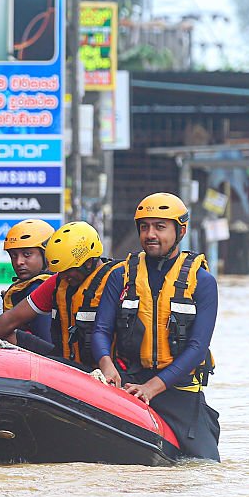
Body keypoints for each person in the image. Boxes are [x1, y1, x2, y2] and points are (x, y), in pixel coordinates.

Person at [92, 193, 220, 461]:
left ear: (180, 230)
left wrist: (152, 388)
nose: (150, 234)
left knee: (206, 464)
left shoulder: (202, 282)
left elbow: (197, 348)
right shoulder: (121, 276)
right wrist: (106, 365)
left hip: (179, 391)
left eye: (160, 227)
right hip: (127, 383)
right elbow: (101, 330)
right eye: (144, 226)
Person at [0, 221, 122, 371]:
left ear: (89, 262)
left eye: (69, 271)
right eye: (61, 271)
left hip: (104, 369)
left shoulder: (117, 281)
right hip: (68, 361)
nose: (64, 276)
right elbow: (8, 321)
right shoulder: (59, 281)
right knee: (6, 335)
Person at [1, 219, 55, 343]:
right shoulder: (23, 288)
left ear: (47, 255)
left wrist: (14, 338)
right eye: (14, 255)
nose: (18, 262)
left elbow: (47, 345)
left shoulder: (38, 288)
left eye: (27, 254)